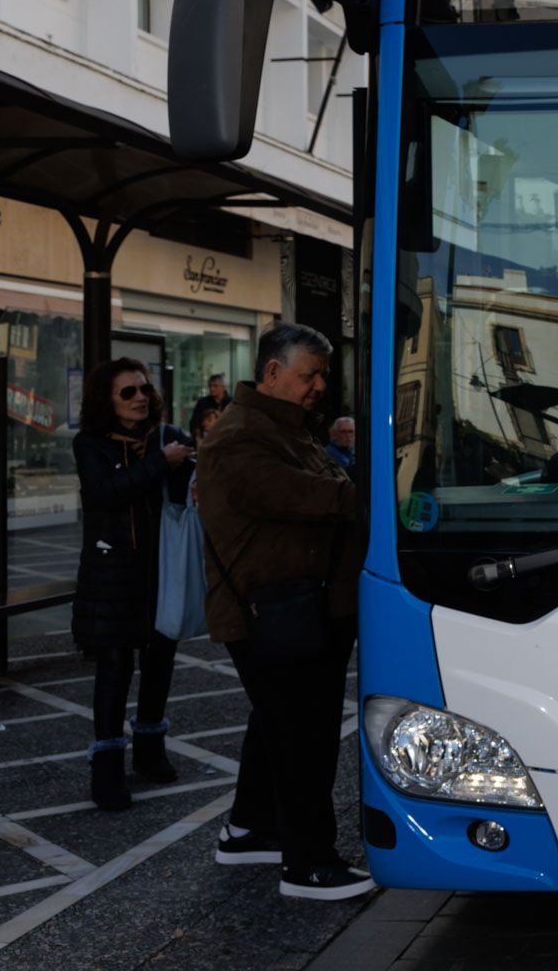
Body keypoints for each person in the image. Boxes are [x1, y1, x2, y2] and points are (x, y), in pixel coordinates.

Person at [197, 323, 371, 900]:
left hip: (297, 607)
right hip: (272, 611)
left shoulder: (285, 426)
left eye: (323, 375)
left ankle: (250, 830)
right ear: (272, 371)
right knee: (303, 736)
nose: (320, 385)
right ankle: (308, 864)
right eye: (309, 374)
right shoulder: (241, 435)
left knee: (278, 722)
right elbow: (302, 495)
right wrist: (381, 497)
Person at [72, 359, 195, 810]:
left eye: (144, 389)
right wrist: (161, 463)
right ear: (106, 400)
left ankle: (149, 749)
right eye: (128, 392)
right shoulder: (90, 444)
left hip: (161, 567)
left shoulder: (167, 436)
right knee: (114, 667)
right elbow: (104, 493)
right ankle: (106, 767)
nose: (140, 397)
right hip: (111, 571)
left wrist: (188, 470)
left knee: (159, 660)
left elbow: (184, 494)